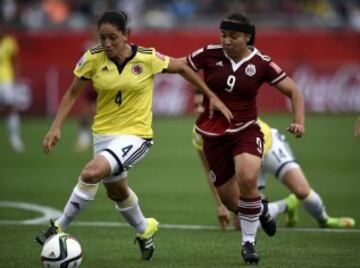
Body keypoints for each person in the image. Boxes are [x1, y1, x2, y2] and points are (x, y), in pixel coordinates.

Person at [35, 10, 232, 262]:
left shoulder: (147, 58)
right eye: (102, 38)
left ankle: (58, 226)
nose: (107, 44)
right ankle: (144, 230)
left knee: (90, 173)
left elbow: (182, 67)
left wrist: (211, 95)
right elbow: (72, 94)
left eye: (113, 38)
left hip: (136, 136)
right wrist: (55, 127)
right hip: (103, 135)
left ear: (127, 35)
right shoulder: (92, 58)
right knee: (117, 192)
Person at [183, 13, 305, 264]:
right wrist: (147, 59)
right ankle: (262, 210)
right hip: (214, 136)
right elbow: (179, 65)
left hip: (246, 130)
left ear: (247, 37)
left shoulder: (261, 63)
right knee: (231, 201)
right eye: (223, 35)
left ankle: (248, 244)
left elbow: (294, 91)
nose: (226, 41)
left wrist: (299, 121)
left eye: (233, 36)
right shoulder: (209, 53)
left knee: (248, 176)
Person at [193, 91, 355, 231]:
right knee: (242, 223)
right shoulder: (199, 133)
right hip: (246, 162)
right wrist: (221, 204)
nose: (199, 109)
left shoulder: (229, 114)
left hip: (268, 145)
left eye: (202, 104)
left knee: (302, 191)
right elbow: (211, 172)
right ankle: (287, 204)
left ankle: (325, 219)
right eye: (195, 106)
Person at [0, 29, 24, 153]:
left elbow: (15, 60)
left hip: (6, 81)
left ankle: (14, 138)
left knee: (11, 107)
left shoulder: (9, 42)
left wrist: (17, 78)